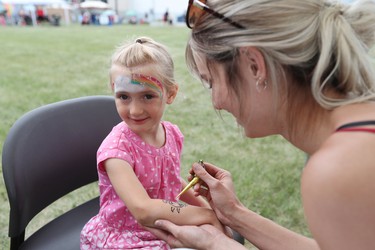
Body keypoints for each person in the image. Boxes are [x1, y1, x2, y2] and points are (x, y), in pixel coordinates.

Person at [147, 0, 375, 249]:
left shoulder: (338, 171)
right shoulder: (355, 138)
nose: (216, 103)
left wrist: (217, 246)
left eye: (211, 82)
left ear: (255, 66)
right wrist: (233, 214)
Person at [80, 37, 226, 249]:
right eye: (123, 97)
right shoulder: (116, 150)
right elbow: (143, 210)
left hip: (164, 225)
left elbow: (173, 183)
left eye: (147, 96)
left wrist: (210, 212)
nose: (135, 110)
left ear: (171, 93)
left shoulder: (172, 134)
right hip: (126, 237)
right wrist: (204, 215)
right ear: (113, 90)